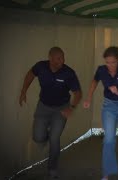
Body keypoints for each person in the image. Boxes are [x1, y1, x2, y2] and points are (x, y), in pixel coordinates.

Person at [19, 47, 82, 178]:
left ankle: (52, 169)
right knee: (37, 137)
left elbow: (78, 93)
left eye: (63, 58)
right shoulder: (41, 67)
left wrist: (71, 107)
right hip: (43, 107)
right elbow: (30, 74)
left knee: (54, 138)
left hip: (61, 109)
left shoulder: (68, 73)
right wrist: (23, 91)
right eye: (59, 58)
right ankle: (45, 137)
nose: (62, 61)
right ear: (51, 58)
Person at [83, 46, 118, 180]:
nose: (110, 65)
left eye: (113, 62)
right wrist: (89, 98)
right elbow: (94, 81)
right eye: (107, 62)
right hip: (109, 107)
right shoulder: (101, 70)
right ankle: (106, 174)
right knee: (108, 140)